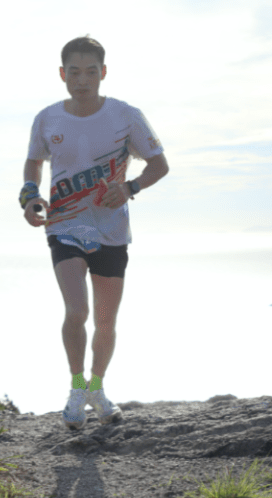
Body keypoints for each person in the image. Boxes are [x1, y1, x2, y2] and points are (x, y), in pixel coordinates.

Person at [21, 36, 169, 429]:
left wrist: (130, 188)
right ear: (62, 74)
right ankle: (75, 389)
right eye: (74, 71)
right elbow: (34, 163)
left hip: (112, 230)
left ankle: (97, 390)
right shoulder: (47, 118)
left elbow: (159, 165)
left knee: (105, 320)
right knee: (77, 311)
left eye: (90, 71)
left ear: (103, 73)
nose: (82, 80)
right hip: (65, 226)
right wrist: (30, 197)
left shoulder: (126, 116)